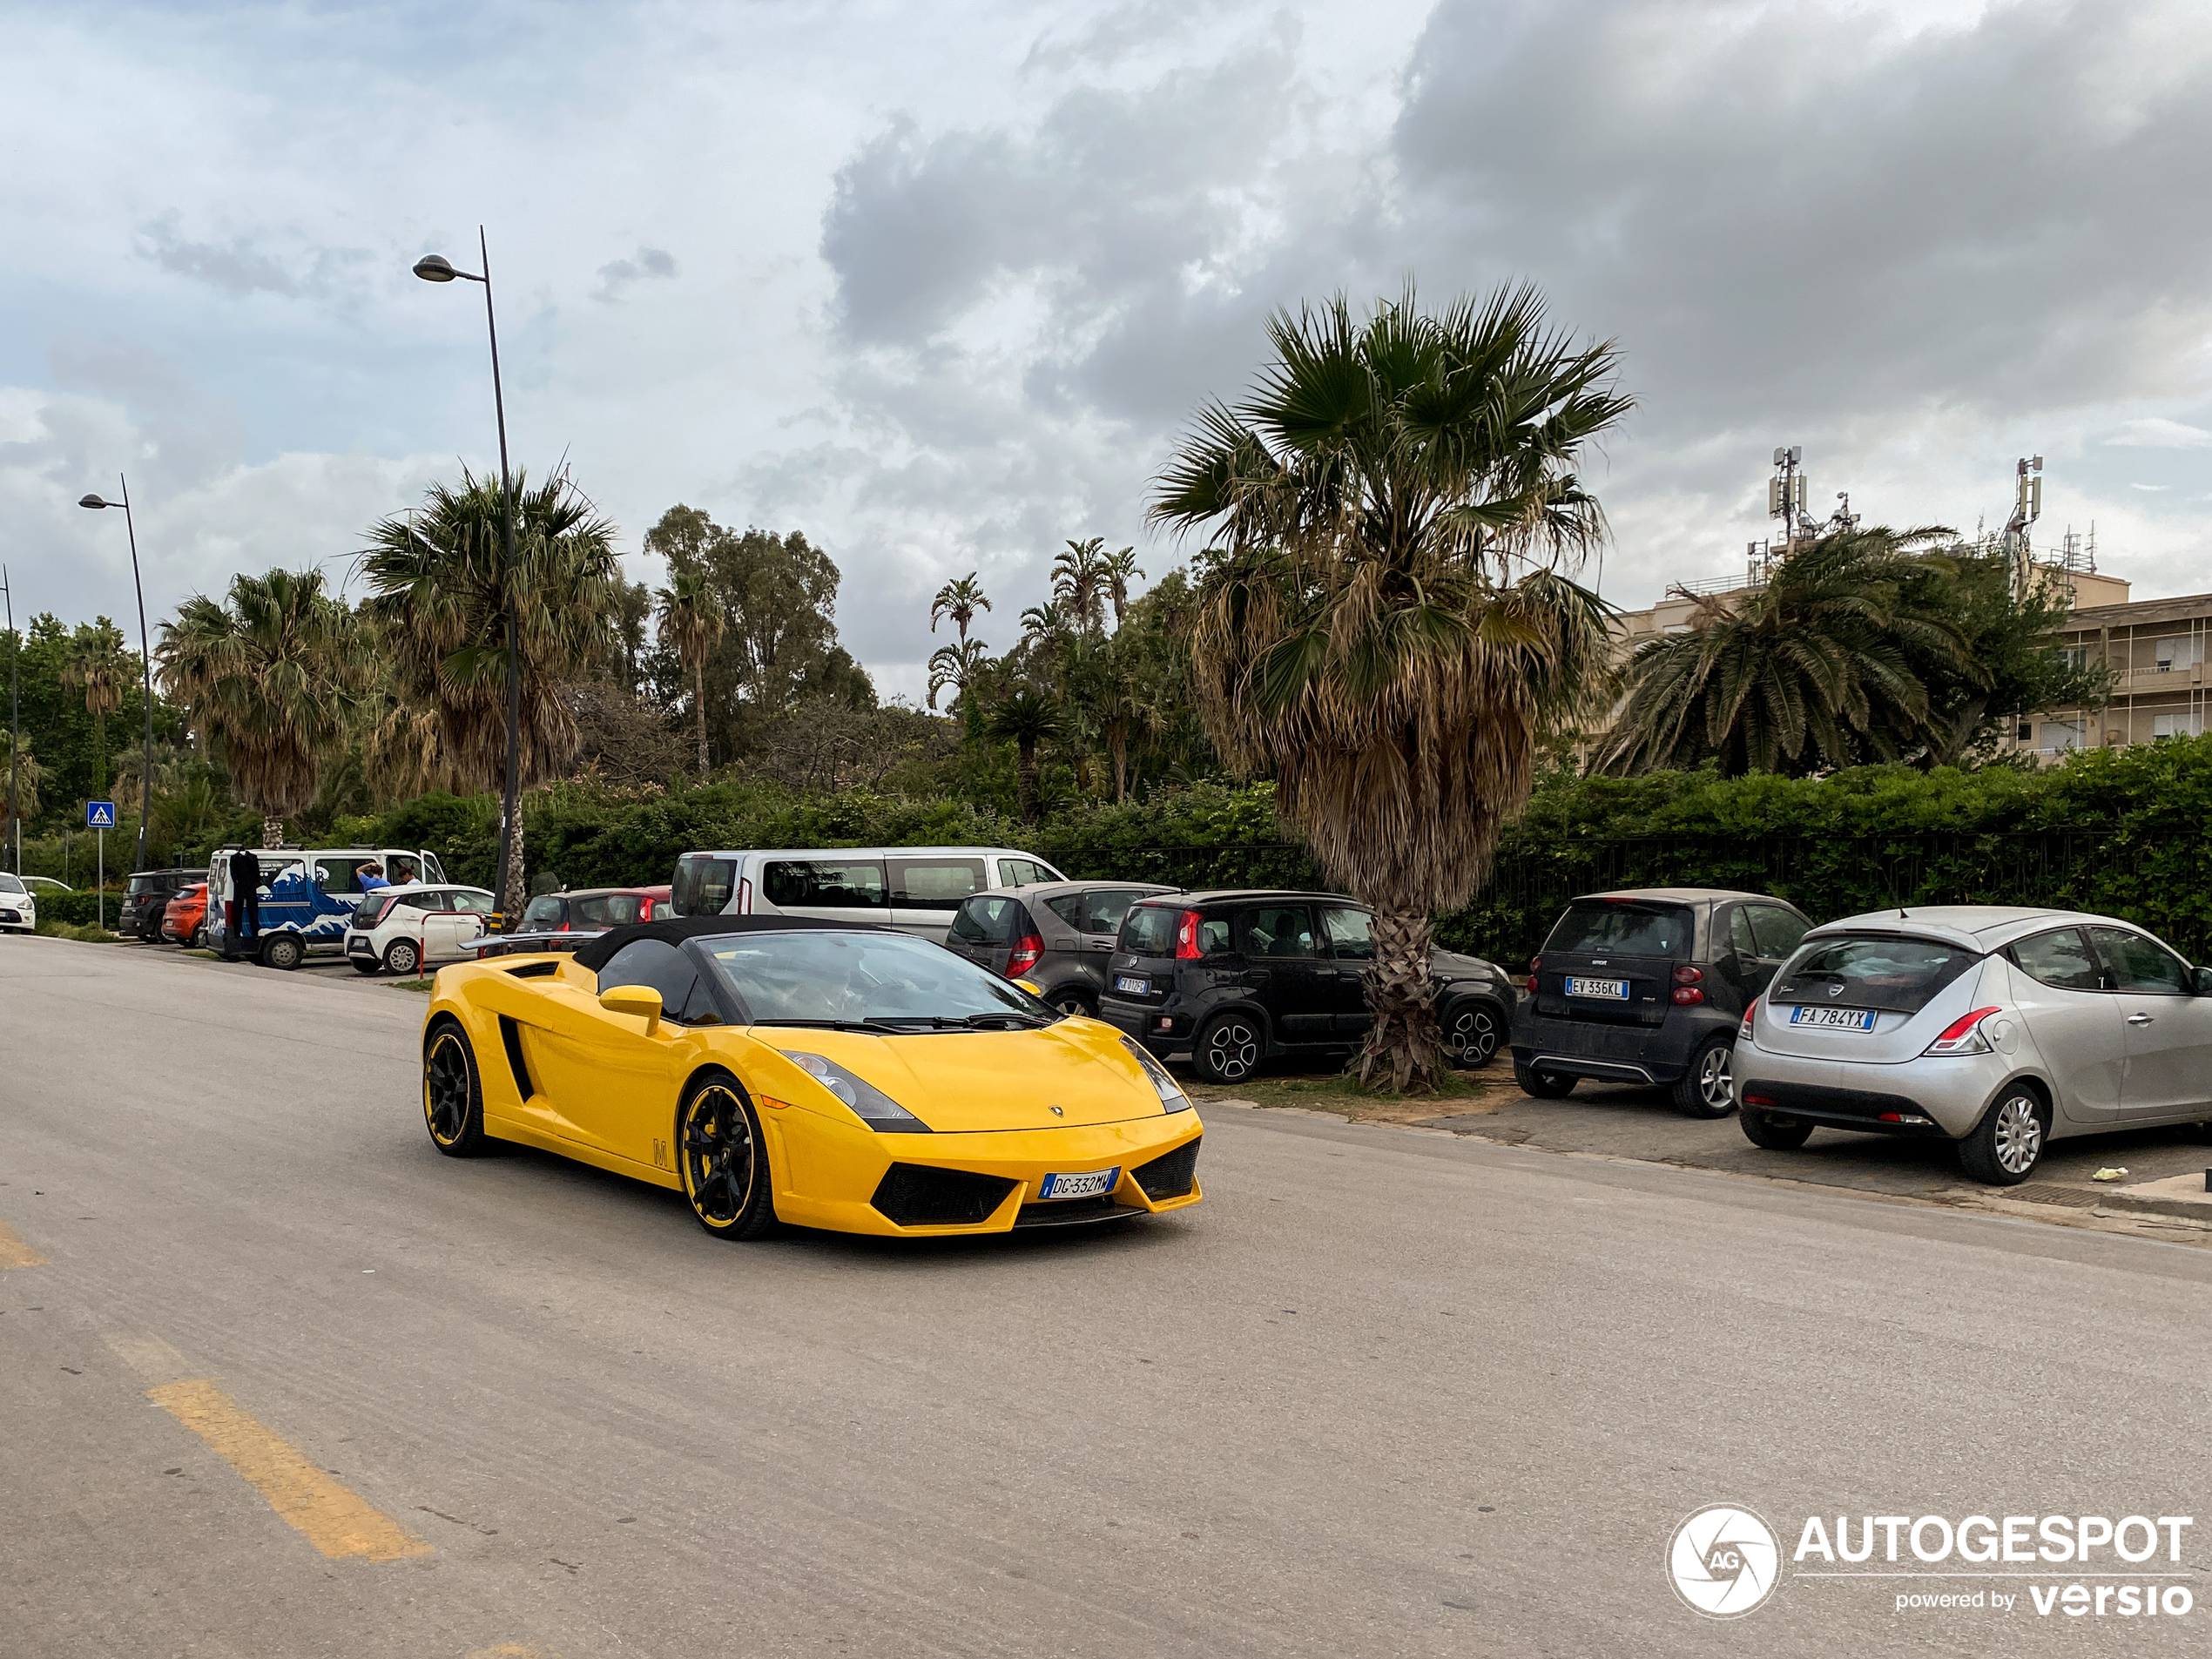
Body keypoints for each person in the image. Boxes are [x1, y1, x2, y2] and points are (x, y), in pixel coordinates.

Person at [226, 847, 262, 960]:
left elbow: (256, 871)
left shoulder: (252, 857)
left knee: (252, 909)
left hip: (248, 885)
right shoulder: (235, 858)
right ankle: (238, 931)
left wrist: (256, 882)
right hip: (241, 885)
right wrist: (236, 881)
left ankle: (254, 931)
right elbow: (233, 872)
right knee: (239, 909)